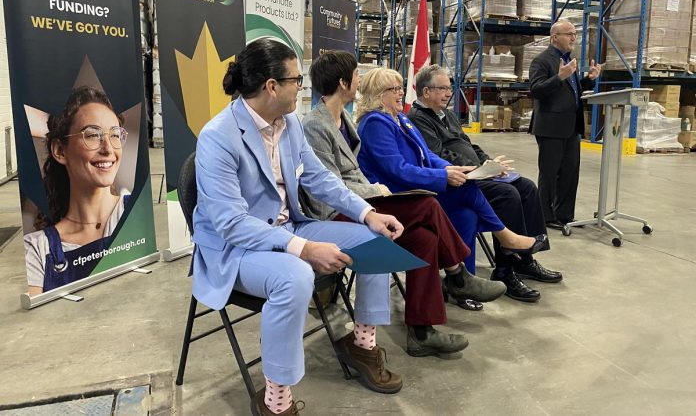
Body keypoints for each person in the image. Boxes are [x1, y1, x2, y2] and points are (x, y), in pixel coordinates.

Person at [193, 39, 406, 416]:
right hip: (235, 249)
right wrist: (304, 250)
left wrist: (366, 212)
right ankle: (277, 399)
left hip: (288, 227)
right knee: (294, 277)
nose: (302, 88)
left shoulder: (289, 123)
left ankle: (361, 344)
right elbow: (231, 224)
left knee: (374, 240)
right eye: (296, 80)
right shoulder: (218, 137)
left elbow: (321, 179)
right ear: (271, 86)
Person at [301, 51, 507, 357]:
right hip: (337, 213)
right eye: (356, 75)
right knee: (427, 206)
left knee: (425, 238)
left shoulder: (343, 118)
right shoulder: (317, 125)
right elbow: (327, 185)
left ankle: (421, 332)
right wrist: (371, 190)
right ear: (344, 82)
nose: (360, 80)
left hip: (364, 203)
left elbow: (360, 170)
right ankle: (457, 274)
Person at [355, 67, 548, 280]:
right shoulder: (376, 123)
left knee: (468, 214)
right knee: (471, 187)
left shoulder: (400, 119)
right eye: (394, 89)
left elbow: (427, 154)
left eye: (401, 88)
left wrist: (449, 169)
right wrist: (444, 176)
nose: (401, 93)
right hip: (397, 194)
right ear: (378, 94)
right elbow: (397, 169)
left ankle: (465, 280)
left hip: (416, 185)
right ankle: (506, 240)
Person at [407, 65, 563, 303]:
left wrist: (488, 162)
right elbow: (437, 156)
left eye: (450, 88)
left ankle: (525, 262)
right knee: (507, 195)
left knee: (528, 187)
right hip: (458, 180)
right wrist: (477, 169)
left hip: (477, 172)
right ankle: (505, 271)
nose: (449, 93)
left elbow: (469, 145)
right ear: (426, 91)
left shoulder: (446, 114)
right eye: (443, 88)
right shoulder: (418, 119)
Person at [24, 86, 130, 296]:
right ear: (59, 151)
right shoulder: (38, 249)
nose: (108, 149)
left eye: (115, 134)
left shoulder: (135, 215)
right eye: (92, 135)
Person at [529, 19, 602, 230]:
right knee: (550, 173)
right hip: (551, 127)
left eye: (574, 35)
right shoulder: (542, 61)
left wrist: (588, 79)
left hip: (571, 126)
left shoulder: (568, 60)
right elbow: (536, 89)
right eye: (569, 34)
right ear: (555, 37)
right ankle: (545, 216)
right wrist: (560, 77)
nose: (573, 38)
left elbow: (572, 90)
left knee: (570, 172)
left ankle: (564, 215)